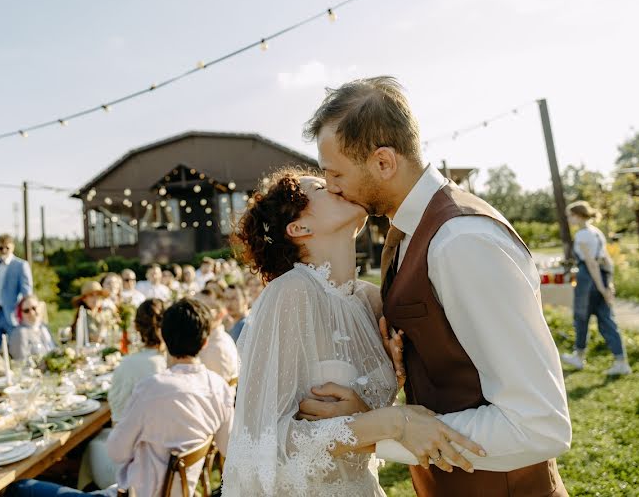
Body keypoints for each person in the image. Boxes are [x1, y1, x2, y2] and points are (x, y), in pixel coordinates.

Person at [299, 77, 571, 496]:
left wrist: (385, 433)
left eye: (335, 173)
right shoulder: (410, 234)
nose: (331, 187)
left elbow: (538, 422)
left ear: (384, 162)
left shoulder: (461, 242)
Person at [222, 168, 478, 496]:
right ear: (300, 228)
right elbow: (262, 441)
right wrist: (393, 423)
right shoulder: (290, 294)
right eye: (320, 187)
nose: (336, 186)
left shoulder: (370, 300)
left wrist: (392, 385)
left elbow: (360, 415)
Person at [5, 298, 234, 497]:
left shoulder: (151, 389)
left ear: (164, 336)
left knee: (20, 489)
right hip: (184, 491)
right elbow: (229, 450)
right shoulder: (218, 387)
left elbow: (116, 453)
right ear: (204, 343)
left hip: (131, 494)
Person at [79, 299, 168, 490]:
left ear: (136, 327)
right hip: (168, 457)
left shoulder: (128, 365)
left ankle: (89, 489)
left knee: (90, 446)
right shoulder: (173, 360)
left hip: (138, 466)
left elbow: (117, 422)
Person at [560, 201, 631, 375]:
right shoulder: (597, 233)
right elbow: (607, 261)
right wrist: (608, 284)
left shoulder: (583, 235)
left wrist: (601, 287)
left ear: (577, 215)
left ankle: (579, 356)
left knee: (581, 316)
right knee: (606, 319)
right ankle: (621, 361)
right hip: (603, 276)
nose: (568, 218)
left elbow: (591, 263)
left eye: (570, 215)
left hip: (589, 279)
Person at [0, 234, 34, 344]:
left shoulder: (20, 265)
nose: (4, 251)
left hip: (13, 312)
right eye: (0, 248)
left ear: (12, 247)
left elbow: (27, 292)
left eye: (7, 248)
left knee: (17, 345)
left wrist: (25, 311)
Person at [196, 289, 239, 383]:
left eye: (203, 309)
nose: (196, 314)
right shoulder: (209, 339)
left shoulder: (217, 347)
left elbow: (219, 391)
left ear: (220, 314)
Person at [9, 295, 56, 361]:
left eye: (34, 308)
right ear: (20, 313)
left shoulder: (43, 327)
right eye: (26, 310)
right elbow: (20, 361)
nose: (32, 313)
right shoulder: (20, 333)